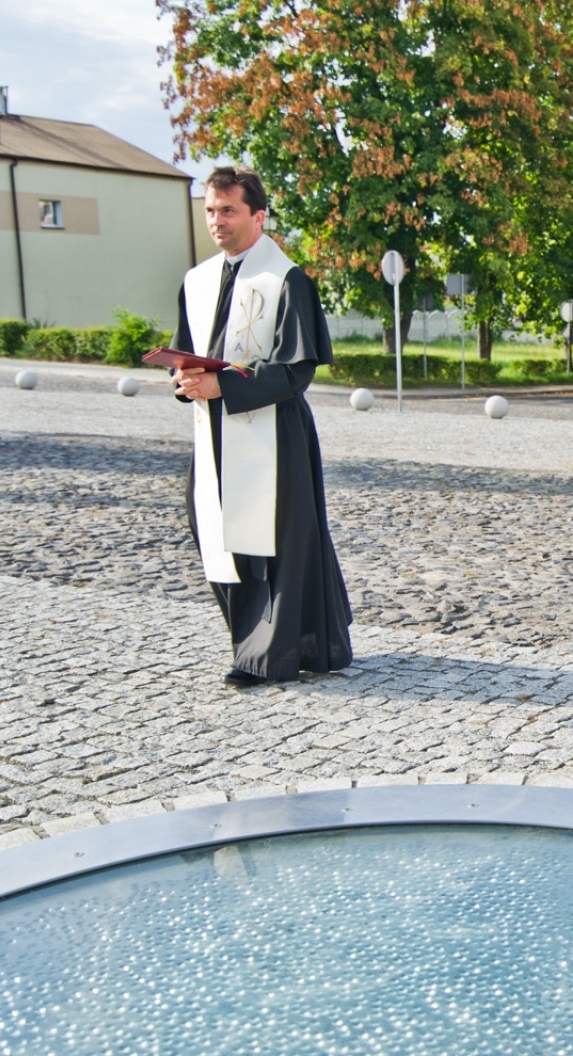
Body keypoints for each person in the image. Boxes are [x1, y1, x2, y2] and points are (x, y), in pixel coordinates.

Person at [172, 166, 353, 685]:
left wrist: (224, 387)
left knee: (276, 542)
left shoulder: (286, 279)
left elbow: (296, 370)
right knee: (213, 529)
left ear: (258, 216)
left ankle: (267, 655)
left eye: (228, 210)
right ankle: (252, 640)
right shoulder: (197, 281)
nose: (217, 220)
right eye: (210, 210)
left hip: (274, 432)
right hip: (214, 430)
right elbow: (187, 351)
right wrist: (185, 381)